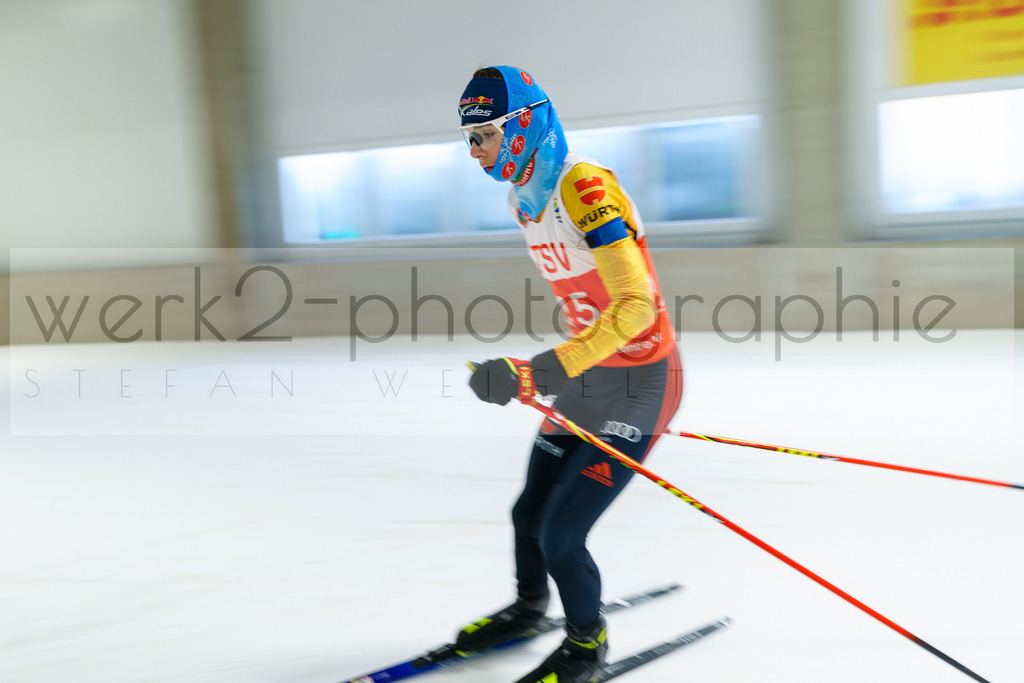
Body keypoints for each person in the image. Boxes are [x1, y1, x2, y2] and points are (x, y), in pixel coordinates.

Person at [456, 66, 683, 683]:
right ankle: (531, 610)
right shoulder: (521, 198)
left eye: (483, 136)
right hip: (592, 376)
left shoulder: (582, 185)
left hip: (642, 382)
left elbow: (636, 309)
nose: (474, 153)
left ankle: (587, 644)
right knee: (527, 514)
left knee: (561, 535)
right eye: (467, 139)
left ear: (523, 124)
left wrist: (537, 372)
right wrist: (537, 373)